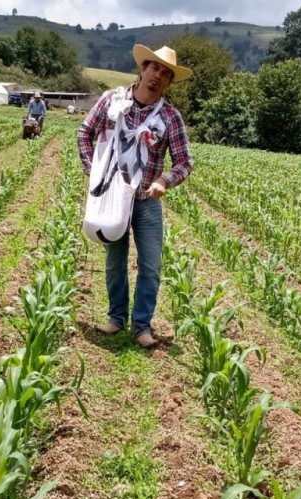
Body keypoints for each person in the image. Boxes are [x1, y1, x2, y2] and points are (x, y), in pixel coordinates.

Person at [77, 44, 193, 349]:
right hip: (114, 196)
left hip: (146, 201)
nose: (158, 76)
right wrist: (95, 174)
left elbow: (184, 162)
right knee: (115, 261)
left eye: (166, 74)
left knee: (151, 265)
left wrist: (164, 181)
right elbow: (84, 133)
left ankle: (141, 326)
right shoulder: (111, 100)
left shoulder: (170, 117)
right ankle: (116, 319)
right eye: (154, 68)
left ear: (168, 82)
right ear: (143, 69)